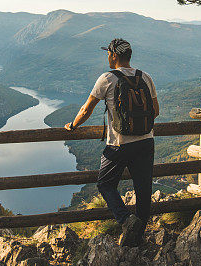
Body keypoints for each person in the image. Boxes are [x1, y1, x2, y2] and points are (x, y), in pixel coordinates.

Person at [64, 38, 159, 246]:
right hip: (146, 142)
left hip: (119, 144)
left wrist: (72, 125)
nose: (107, 56)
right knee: (143, 190)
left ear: (114, 55)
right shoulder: (146, 77)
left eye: (108, 53)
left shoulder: (107, 78)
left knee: (105, 184)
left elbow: (86, 109)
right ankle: (137, 239)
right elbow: (156, 111)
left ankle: (126, 221)